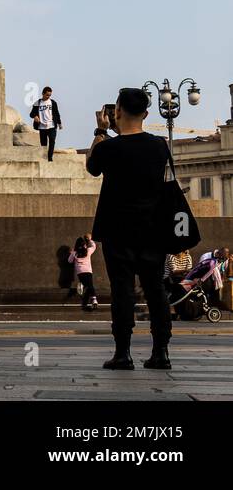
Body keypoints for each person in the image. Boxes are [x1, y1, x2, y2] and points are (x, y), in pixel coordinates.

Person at [88, 87, 173, 370]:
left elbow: (92, 167)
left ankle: (123, 353)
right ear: (147, 114)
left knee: (122, 291)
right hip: (153, 230)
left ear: (116, 113)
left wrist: (100, 132)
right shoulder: (160, 145)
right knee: (156, 290)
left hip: (117, 230)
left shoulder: (109, 147)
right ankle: (161, 352)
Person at [30, 86, 64, 162]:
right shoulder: (37, 103)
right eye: (47, 95)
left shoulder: (53, 102)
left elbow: (56, 113)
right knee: (43, 144)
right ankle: (44, 158)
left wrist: (59, 123)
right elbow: (31, 114)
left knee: (52, 141)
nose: (48, 96)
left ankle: (50, 158)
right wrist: (35, 116)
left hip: (51, 125)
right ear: (43, 94)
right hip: (42, 127)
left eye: (50, 95)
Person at [69, 233, 99, 310]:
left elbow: (69, 261)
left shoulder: (74, 253)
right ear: (84, 244)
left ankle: (86, 302)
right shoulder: (88, 251)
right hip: (88, 271)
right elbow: (94, 246)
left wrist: (71, 253)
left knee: (88, 286)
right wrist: (90, 239)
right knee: (90, 286)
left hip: (80, 272)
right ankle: (93, 299)